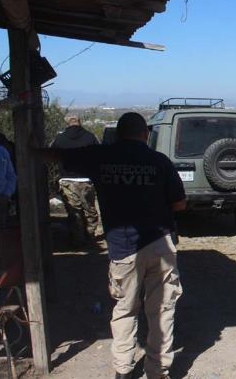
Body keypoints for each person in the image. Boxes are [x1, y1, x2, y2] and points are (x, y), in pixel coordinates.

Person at [35, 112, 186, 379]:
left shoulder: (102, 156)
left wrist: (28, 151)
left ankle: (123, 370)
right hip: (160, 245)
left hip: (123, 248)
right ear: (145, 134)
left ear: (118, 134)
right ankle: (158, 371)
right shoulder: (159, 161)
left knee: (125, 310)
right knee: (162, 311)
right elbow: (179, 203)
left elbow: (58, 155)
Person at [50, 114, 100, 247]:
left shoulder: (59, 138)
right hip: (86, 180)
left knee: (74, 211)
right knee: (89, 208)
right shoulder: (91, 137)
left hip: (67, 180)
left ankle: (78, 239)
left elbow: (51, 155)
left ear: (67, 123)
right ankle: (90, 235)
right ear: (80, 122)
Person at [0, 141, 16, 224]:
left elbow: (11, 176)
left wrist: (6, 194)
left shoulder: (2, 151)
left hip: (1, 202)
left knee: (1, 233)